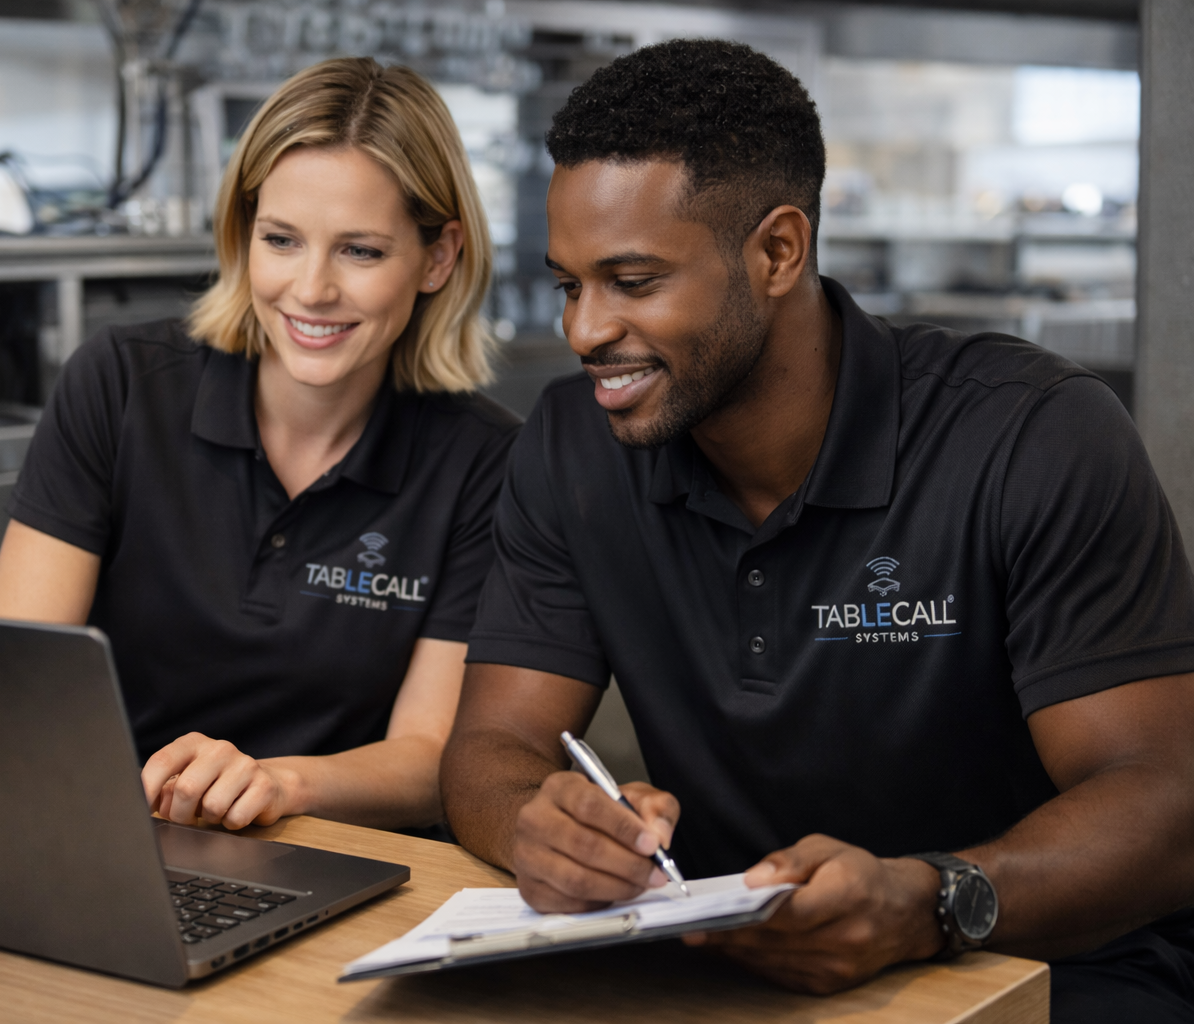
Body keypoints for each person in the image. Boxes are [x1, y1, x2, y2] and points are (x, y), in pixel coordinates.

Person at [440, 38, 1194, 1021]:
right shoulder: (570, 446)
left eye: (632, 280)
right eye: (569, 284)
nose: (584, 331)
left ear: (778, 251)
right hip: (733, 969)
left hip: (1031, 967)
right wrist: (535, 824)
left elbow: (1165, 803)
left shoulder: (1031, 433)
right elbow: (493, 742)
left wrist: (925, 899)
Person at [0, 57, 518, 834]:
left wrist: (278, 784)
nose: (310, 289)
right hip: (110, 836)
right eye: (281, 239)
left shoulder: (487, 463)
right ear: (242, 236)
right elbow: (16, 680)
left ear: (438, 257)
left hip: (337, 856)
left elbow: (429, 760)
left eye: (360, 251)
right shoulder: (120, 382)